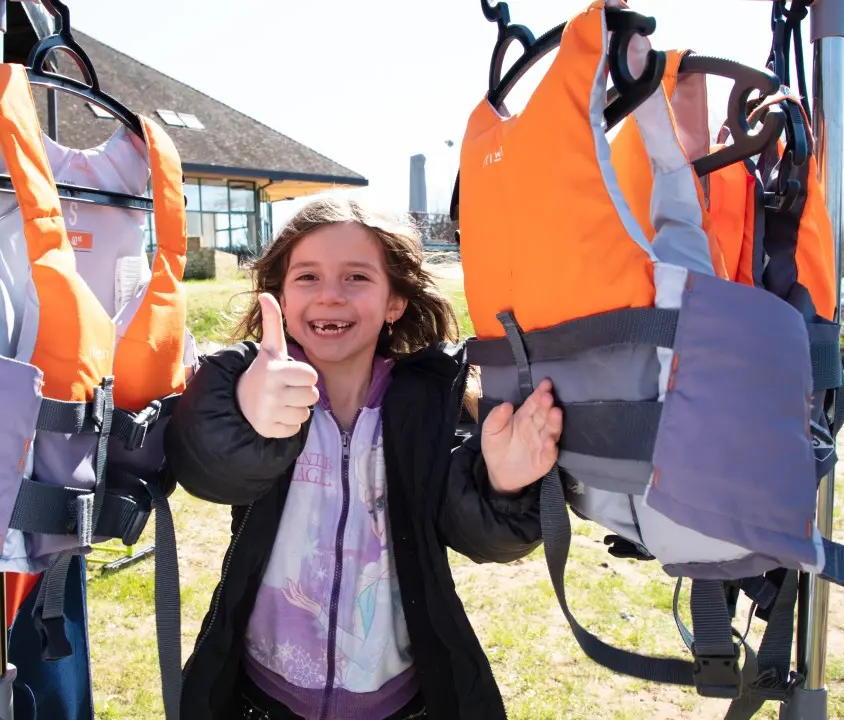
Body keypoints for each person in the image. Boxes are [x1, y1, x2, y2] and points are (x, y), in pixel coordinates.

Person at [164, 196, 563, 720]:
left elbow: (474, 534)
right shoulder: (244, 383)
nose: (330, 296)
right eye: (307, 277)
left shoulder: (429, 404)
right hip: (261, 696)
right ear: (280, 295)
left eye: (356, 277)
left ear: (395, 301)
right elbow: (206, 468)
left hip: (400, 701)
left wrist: (505, 486)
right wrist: (250, 418)